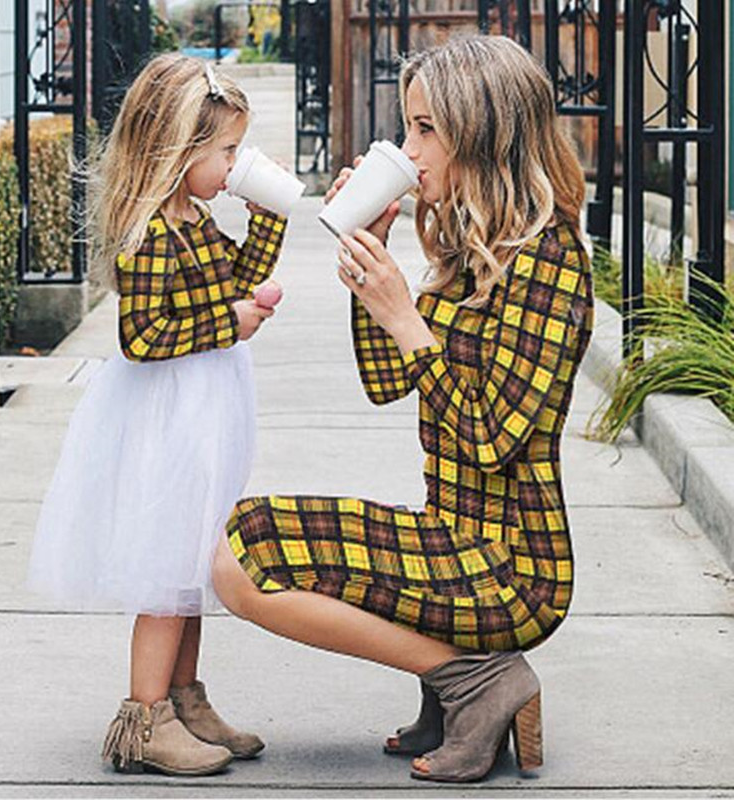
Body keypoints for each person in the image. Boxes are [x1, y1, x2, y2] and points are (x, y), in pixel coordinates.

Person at [212, 34, 593, 783]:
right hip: (451, 535)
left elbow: (490, 440)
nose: (408, 149)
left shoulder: (551, 263)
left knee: (242, 565)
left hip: (512, 569)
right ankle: (456, 679)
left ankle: (478, 681)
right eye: (408, 127)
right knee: (239, 537)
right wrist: (372, 273)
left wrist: (407, 319)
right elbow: (389, 382)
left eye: (425, 129)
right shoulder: (471, 248)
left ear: (481, 134)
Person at [27, 53, 288, 777]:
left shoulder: (195, 217)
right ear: (178, 150)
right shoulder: (150, 234)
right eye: (227, 151)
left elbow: (236, 278)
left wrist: (265, 221)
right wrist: (228, 325)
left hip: (205, 407)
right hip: (170, 414)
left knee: (192, 564)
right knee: (164, 568)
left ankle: (185, 700)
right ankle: (143, 721)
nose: (236, 165)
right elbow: (141, 340)